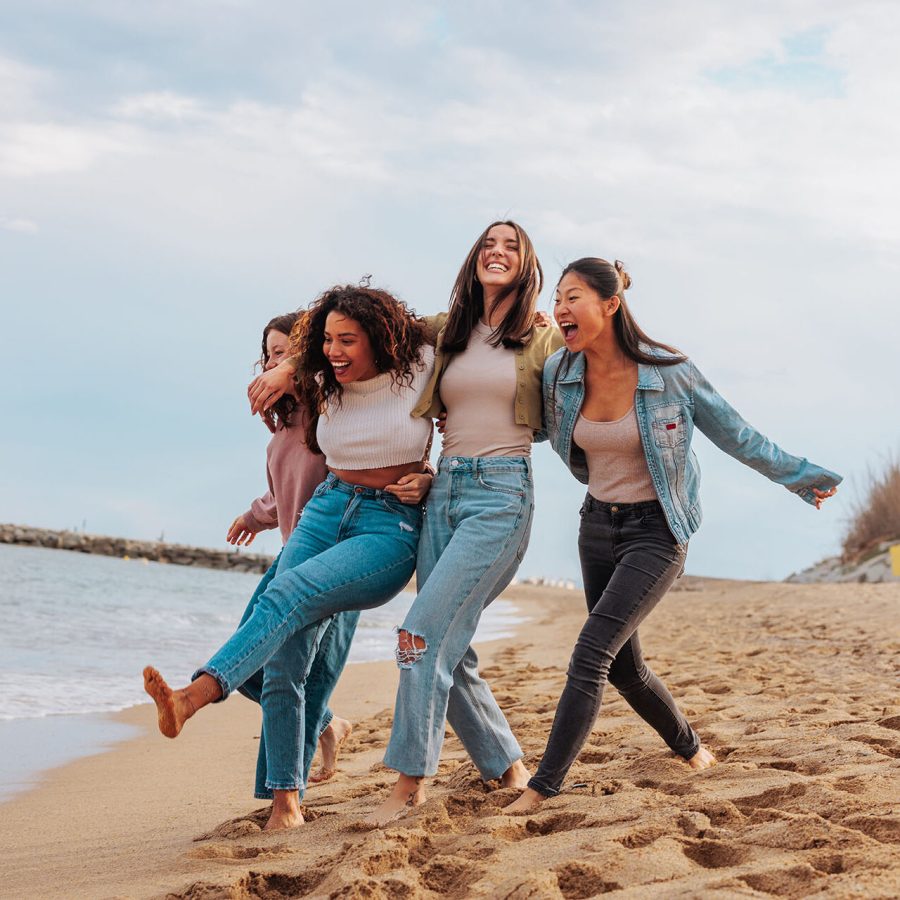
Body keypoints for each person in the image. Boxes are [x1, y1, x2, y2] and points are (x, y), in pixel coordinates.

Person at [503, 257, 841, 814]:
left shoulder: (671, 371)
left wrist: (801, 479)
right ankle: (693, 751)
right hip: (596, 526)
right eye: (557, 299)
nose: (561, 308)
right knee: (624, 667)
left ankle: (543, 787)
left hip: (658, 532)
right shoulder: (559, 370)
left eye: (573, 297)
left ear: (610, 305)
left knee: (590, 654)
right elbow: (526, 422)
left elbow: (738, 435)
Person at [143, 284, 435, 831]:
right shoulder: (322, 378)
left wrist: (434, 476)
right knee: (284, 659)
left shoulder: (421, 362)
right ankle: (285, 807)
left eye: (348, 339)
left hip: (386, 525)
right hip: (327, 510)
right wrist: (287, 367)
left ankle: (193, 697)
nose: (336, 350)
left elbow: (463, 371)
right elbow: (294, 381)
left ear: (380, 338)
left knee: (286, 594)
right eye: (327, 340)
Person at [369, 221, 565, 824]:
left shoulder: (543, 336)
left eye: (511, 246)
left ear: (526, 265)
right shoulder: (447, 329)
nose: (497, 252)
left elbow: (605, 368)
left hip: (501, 496)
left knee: (420, 634)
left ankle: (408, 787)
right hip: (443, 493)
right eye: (488, 244)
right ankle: (507, 766)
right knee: (454, 649)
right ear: (474, 259)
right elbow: (368, 332)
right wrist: (284, 362)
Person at [227, 312, 353, 794]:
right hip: (291, 556)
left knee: (300, 677)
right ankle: (327, 723)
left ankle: (282, 797)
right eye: (269, 354)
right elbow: (282, 495)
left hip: (340, 558)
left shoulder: (334, 414)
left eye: (285, 353)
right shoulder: (281, 430)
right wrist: (252, 516)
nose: (272, 364)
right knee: (250, 667)